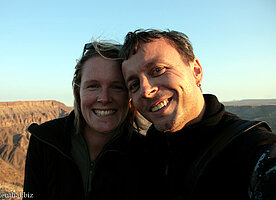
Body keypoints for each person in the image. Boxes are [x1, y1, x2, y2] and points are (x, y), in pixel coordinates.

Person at [120, 29, 276, 200]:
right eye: (134, 84)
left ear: (196, 71)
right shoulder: (144, 152)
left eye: (158, 70)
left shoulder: (252, 149)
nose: (146, 90)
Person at [23, 41, 148, 200]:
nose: (104, 98)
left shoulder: (145, 154)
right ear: (78, 92)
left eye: (117, 87)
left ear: (130, 95)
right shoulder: (45, 141)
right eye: (93, 86)